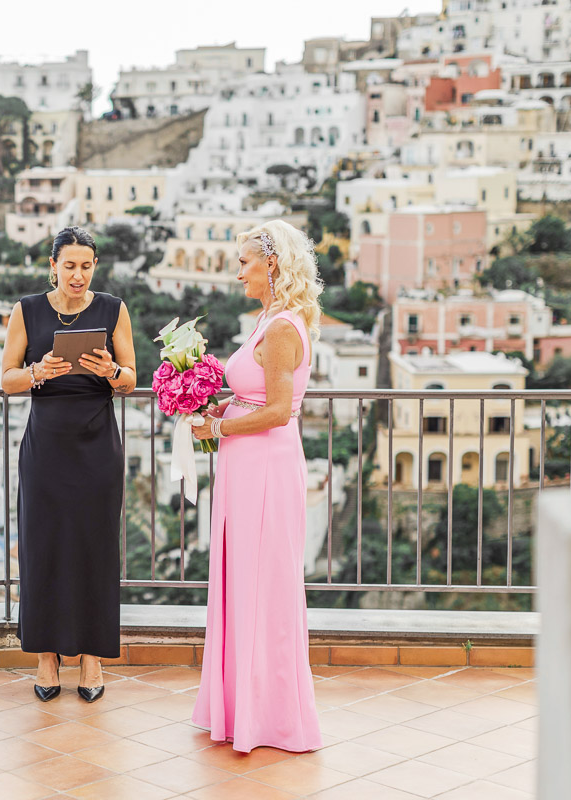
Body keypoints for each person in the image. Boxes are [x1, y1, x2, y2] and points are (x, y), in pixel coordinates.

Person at [190, 220, 324, 753]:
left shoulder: (284, 327)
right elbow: (257, 396)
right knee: (242, 581)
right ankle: (240, 708)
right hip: (245, 469)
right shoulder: (267, 319)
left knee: (265, 585)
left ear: (271, 265)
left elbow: (276, 412)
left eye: (245, 260)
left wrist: (219, 426)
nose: (238, 270)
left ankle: (269, 717)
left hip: (265, 469)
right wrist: (222, 405)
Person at [0, 226, 137, 703]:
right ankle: (46, 657)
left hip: (98, 448)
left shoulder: (114, 309)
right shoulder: (27, 310)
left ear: (94, 267)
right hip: (46, 450)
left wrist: (111, 372)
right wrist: (37, 372)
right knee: (43, 548)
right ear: (52, 265)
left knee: (95, 549)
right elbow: (7, 380)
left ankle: (93, 659)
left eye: (86, 265)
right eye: (69, 265)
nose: (78, 275)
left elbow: (131, 379)